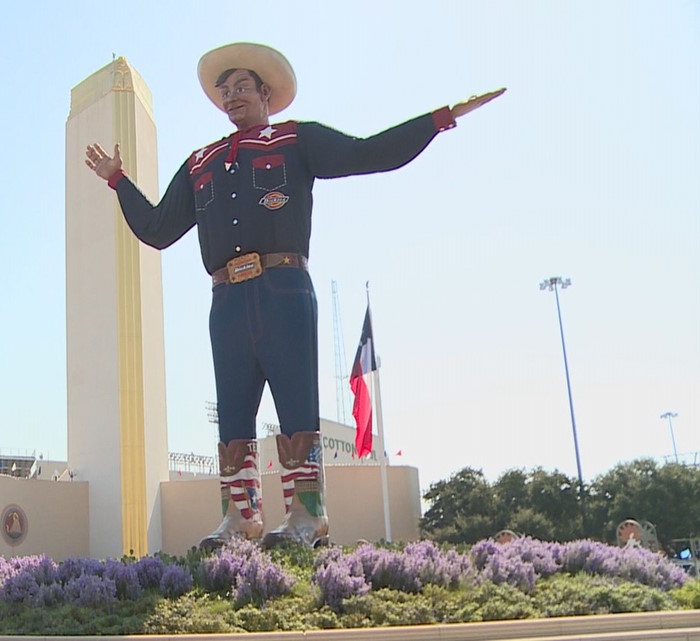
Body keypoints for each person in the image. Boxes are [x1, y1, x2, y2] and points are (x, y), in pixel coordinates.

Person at [85, 42, 503, 549]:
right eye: (225, 91)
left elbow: (367, 153)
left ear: (266, 94)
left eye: (243, 87)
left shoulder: (295, 140)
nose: (233, 97)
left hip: (283, 287)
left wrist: (436, 120)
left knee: (296, 407)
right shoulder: (201, 162)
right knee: (234, 413)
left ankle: (307, 514)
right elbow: (157, 228)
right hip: (226, 299)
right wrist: (118, 181)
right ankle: (240, 518)